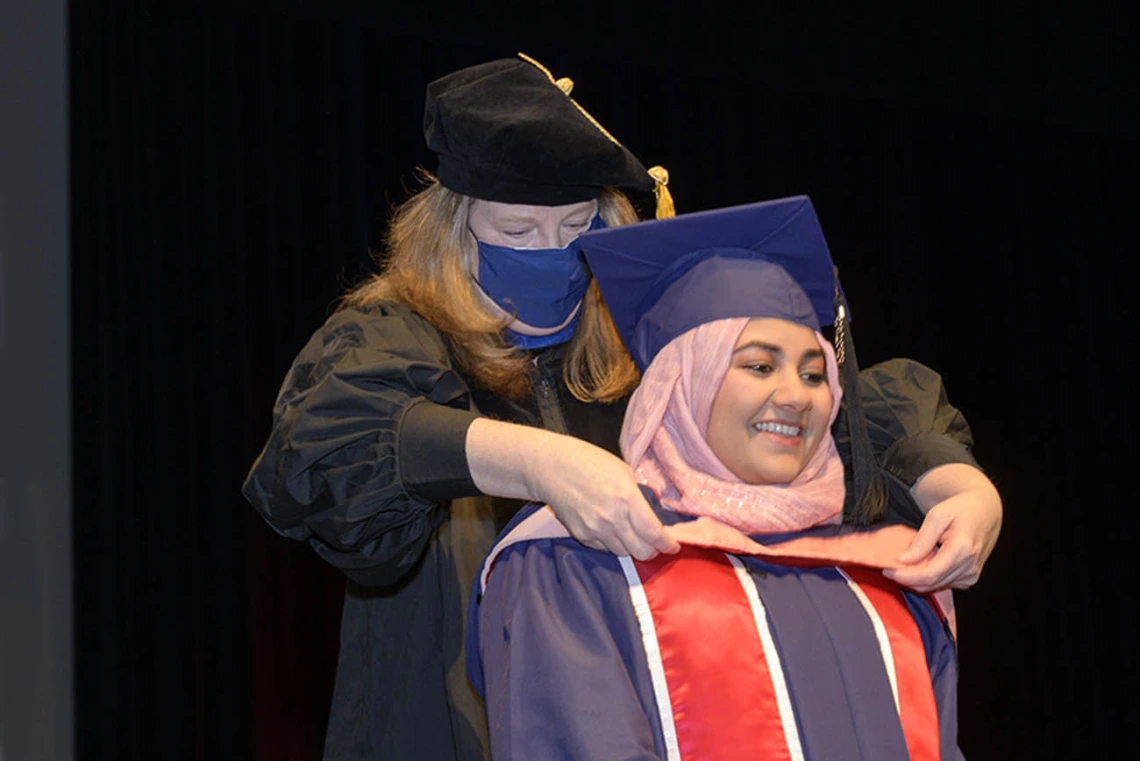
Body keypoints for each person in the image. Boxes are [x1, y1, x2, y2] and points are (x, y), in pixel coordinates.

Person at [242, 55, 997, 760]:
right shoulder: (398, 341)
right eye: (516, 231)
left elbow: (823, 411)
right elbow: (325, 447)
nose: (551, 251)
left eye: (578, 229)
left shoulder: (645, 370)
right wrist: (545, 464)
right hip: (442, 730)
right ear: (453, 229)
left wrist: (957, 482)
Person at [469, 196, 965, 760]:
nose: (796, 396)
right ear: (681, 386)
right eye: (758, 365)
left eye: (813, 372)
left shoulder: (891, 574)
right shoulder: (579, 558)